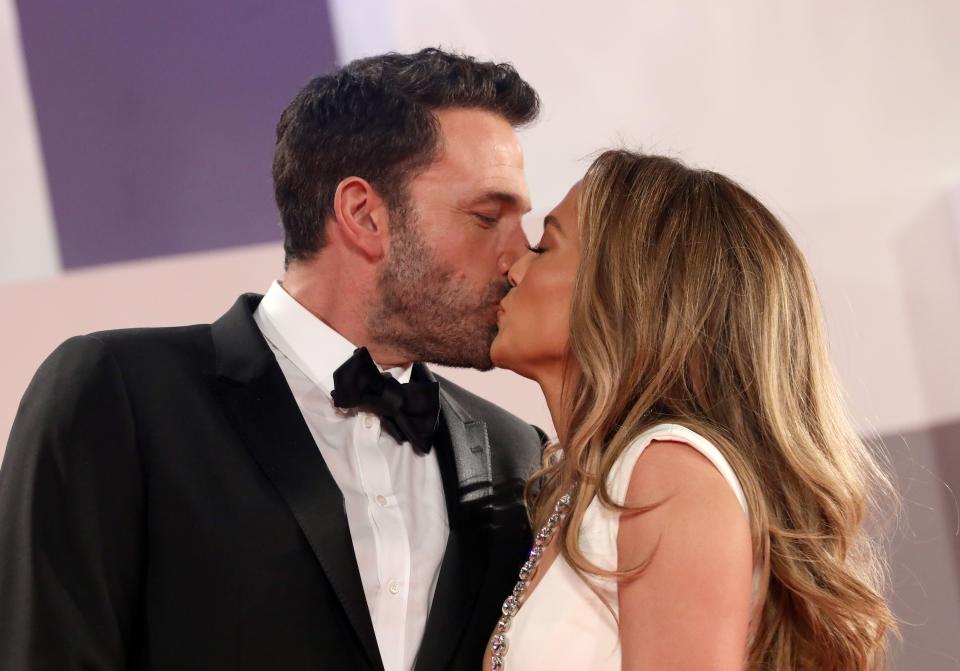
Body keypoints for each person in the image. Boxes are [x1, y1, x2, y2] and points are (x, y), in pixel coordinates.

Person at [0, 48, 546, 671]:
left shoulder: (517, 454)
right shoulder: (118, 395)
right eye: (486, 216)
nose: (519, 257)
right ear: (364, 214)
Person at [486, 150, 897, 670]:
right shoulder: (584, 485)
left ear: (629, 292)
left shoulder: (667, 471)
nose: (514, 268)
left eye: (544, 248)